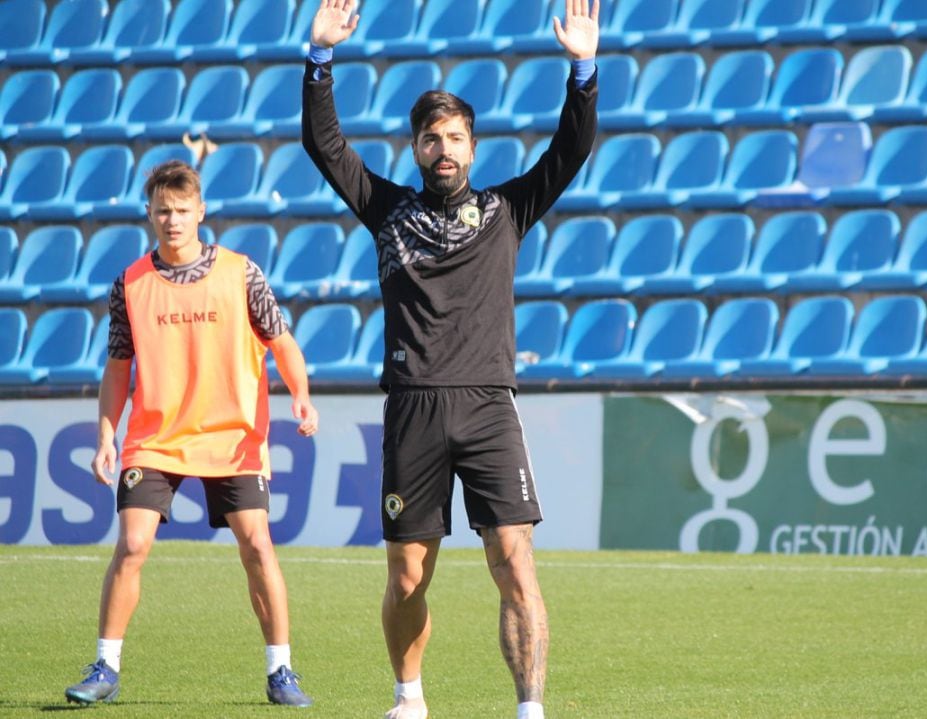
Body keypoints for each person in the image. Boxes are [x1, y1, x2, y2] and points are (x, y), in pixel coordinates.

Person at [302, 1, 599, 717]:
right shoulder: (387, 210)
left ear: (473, 147)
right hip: (413, 408)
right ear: (415, 149)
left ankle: (529, 708)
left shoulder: (507, 209)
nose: (444, 149)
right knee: (407, 575)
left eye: (456, 137)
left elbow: (571, 150)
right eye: (432, 138)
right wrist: (319, 59)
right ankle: (409, 698)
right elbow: (325, 146)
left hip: (490, 404)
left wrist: (582, 71)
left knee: (514, 562)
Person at [64, 160, 319, 708]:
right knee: (131, 545)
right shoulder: (129, 284)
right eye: (162, 210)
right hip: (155, 436)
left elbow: (282, 342)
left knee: (257, 546)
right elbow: (117, 369)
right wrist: (107, 435)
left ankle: (282, 671)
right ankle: (106, 665)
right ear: (150, 214)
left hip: (232, 436)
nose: (172, 219)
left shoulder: (241, 272)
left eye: (182, 210)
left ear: (200, 212)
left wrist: (300, 393)